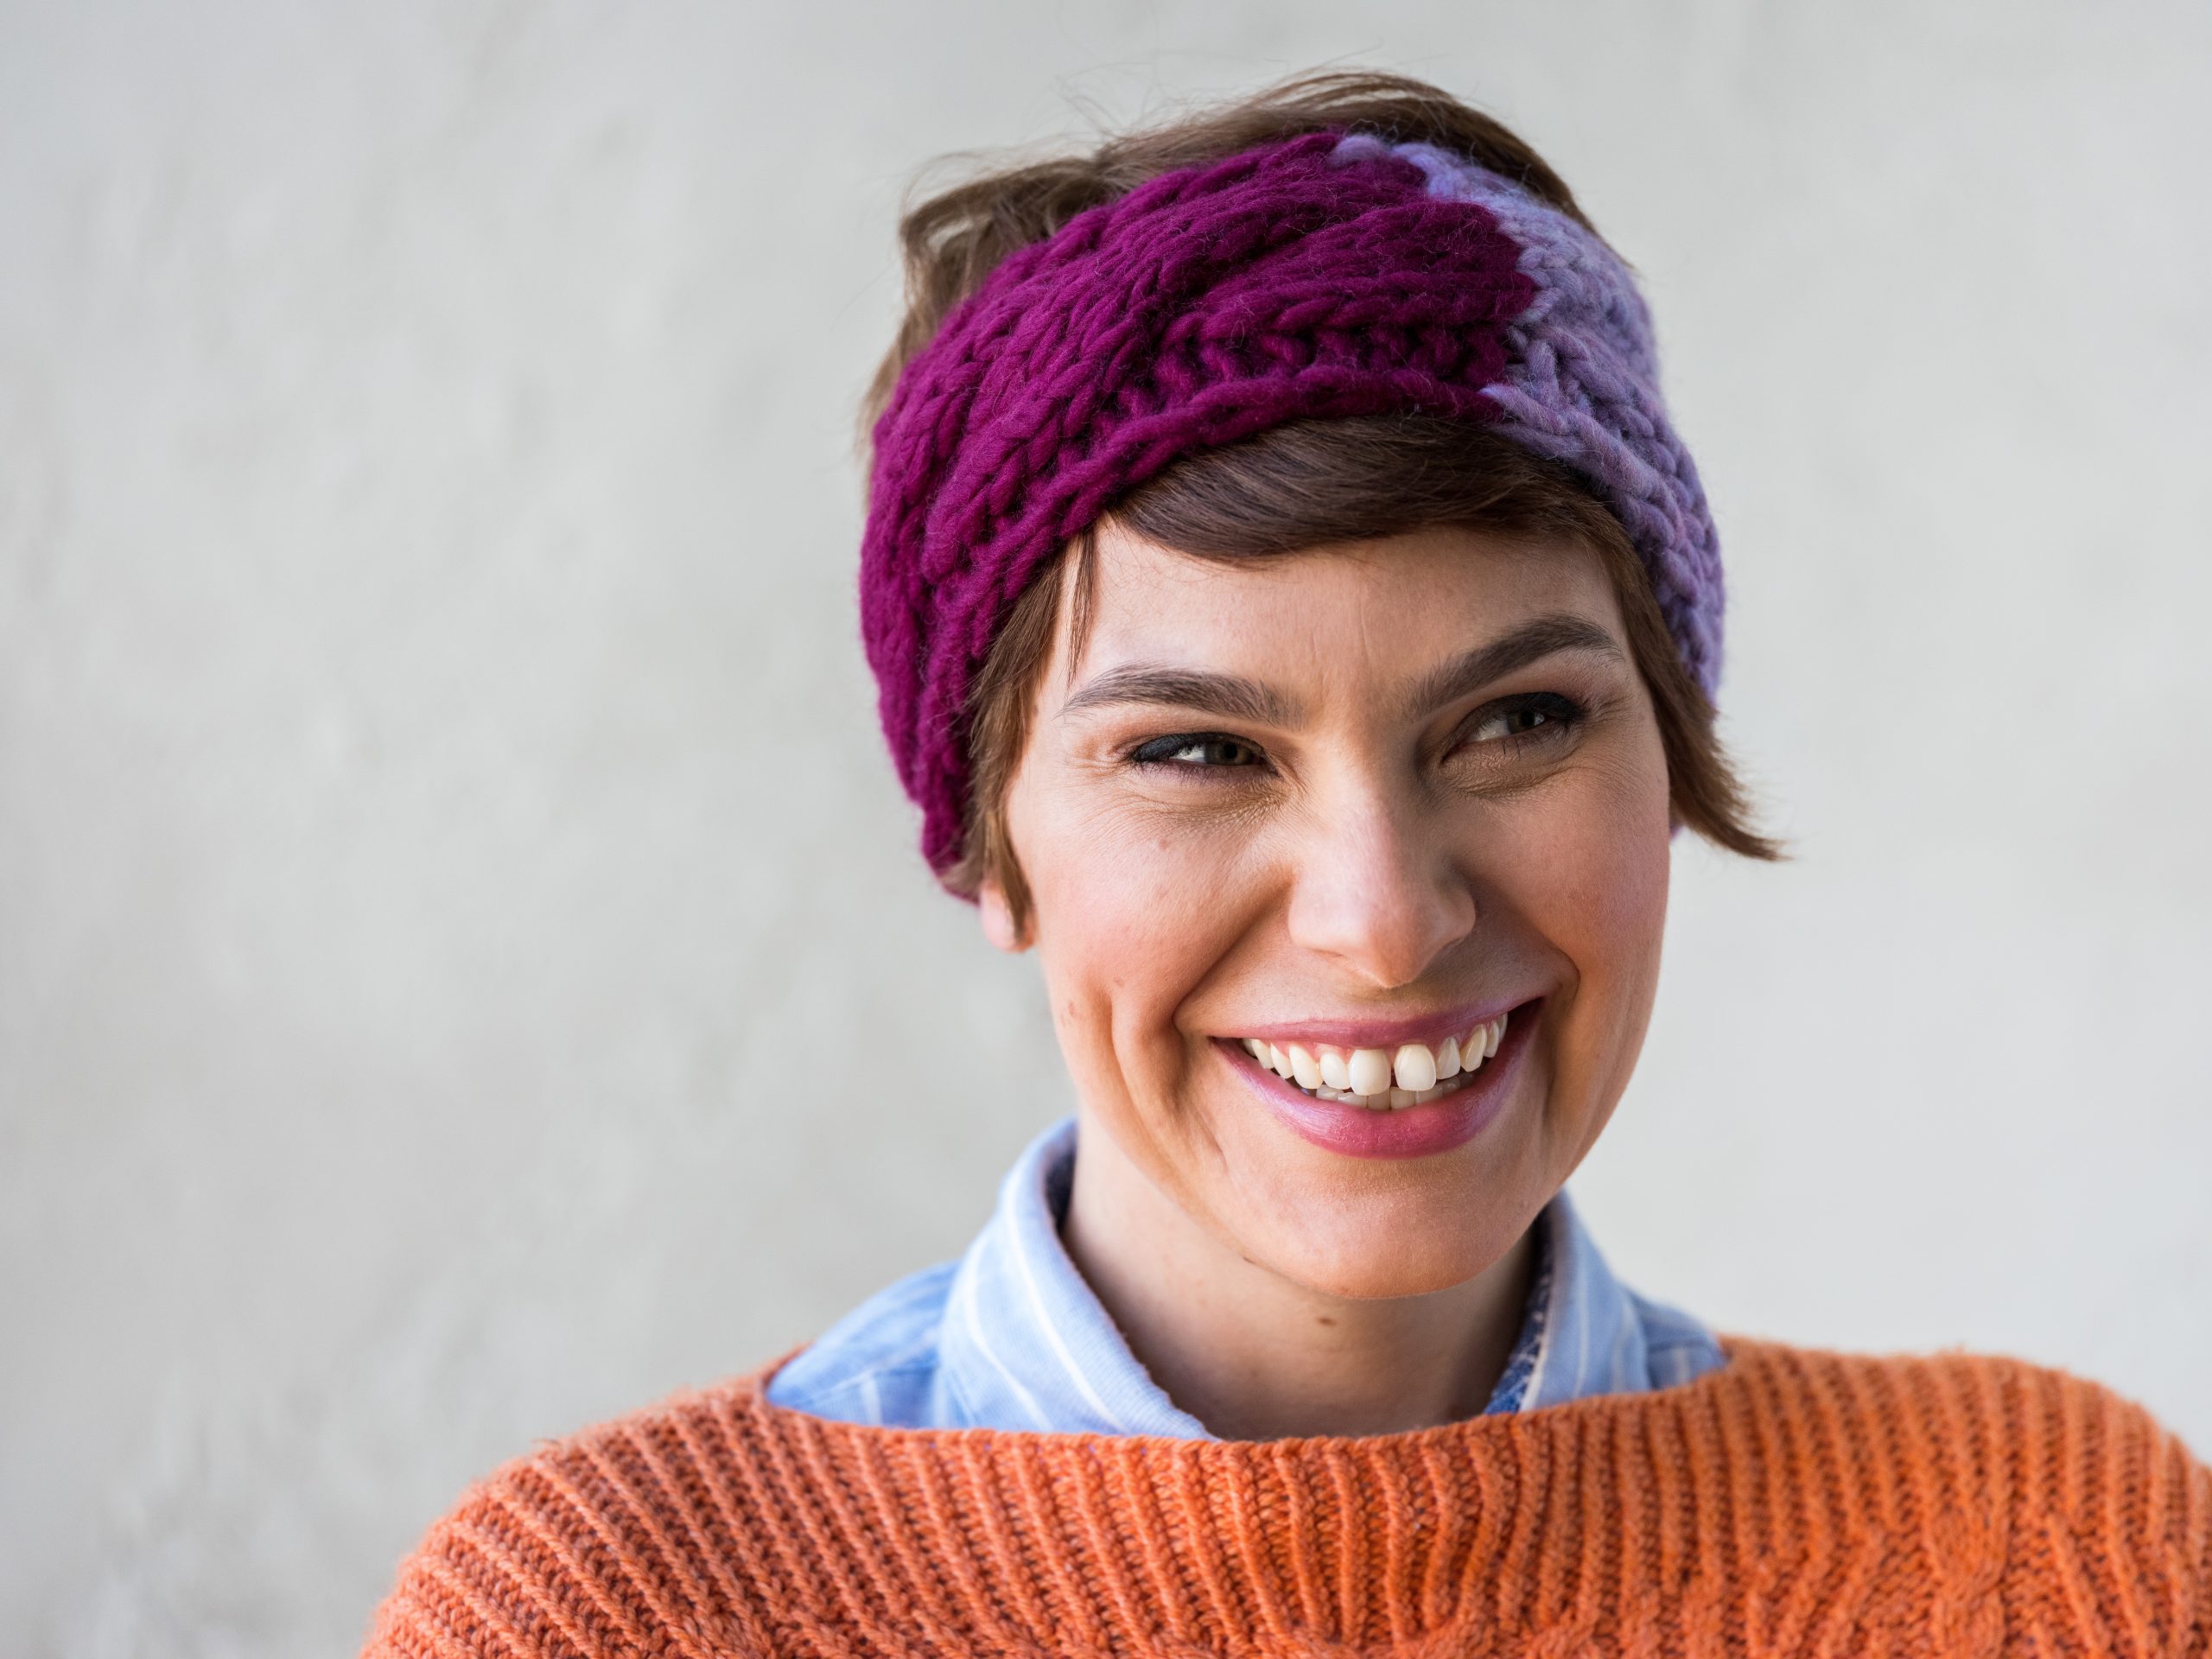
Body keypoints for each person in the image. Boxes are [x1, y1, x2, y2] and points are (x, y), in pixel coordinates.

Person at [361, 70, 2209, 1657]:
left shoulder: (2044, 1567)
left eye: (1515, 725)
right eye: (1191, 753)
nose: (1383, 919)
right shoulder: (611, 1616)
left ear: (1665, 755)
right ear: (984, 844)